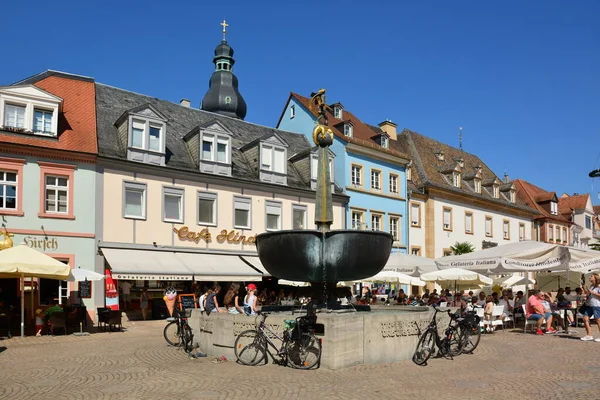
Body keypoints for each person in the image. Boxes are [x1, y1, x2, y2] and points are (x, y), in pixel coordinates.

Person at [579, 273, 600, 341]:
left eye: (591, 276)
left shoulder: (599, 286)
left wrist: (593, 293)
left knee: (598, 320)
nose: (590, 277)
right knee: (585, 319)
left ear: (595, 278)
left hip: (596, 305)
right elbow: (588, 294)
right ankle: (589, 335)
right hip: (589, 305)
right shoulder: (591, 286)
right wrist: (586, 297)